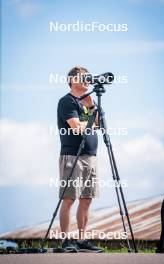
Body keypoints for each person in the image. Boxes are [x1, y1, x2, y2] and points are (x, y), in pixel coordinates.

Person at [57, 66, 102, 252]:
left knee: (87, 199)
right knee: (69, 199)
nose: (88, 81)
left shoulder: (88, 102)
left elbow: (98, 124)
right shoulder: (67, 101)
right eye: (84, 78)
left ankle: (82, 240)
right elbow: (76, 127)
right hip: (72, 155)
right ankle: (65, 241)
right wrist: (88, 122)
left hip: (90, 156)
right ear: (73, 80)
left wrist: (91, 106)